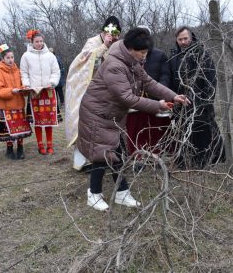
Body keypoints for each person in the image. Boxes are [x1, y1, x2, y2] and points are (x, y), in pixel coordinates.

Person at [77, 28, 189, 211]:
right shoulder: (115, 65)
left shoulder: (132, 62)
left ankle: (121, 193)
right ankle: (94, 194)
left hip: (111, 114)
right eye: (142, 52)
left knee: (118, 153)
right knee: (101, 155)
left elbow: (149, 83)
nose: (144, 56)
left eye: (146, 52)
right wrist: (158, 105)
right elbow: (126, 97)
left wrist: (173, 96)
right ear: (130, 48)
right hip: (97, 114)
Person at [65, 15, 121, 170]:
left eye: (116, 34)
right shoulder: (92, 42)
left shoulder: (117, 45)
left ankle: (103, 158)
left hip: (106, 92)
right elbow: (86, 63)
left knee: (101, 127)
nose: (112, 37)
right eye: (109, 33)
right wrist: (104, 46)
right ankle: (81, 162)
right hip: (87, 91)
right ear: (103, 31)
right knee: (84, 126)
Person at [169, 26, 226, 169]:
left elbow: (211, 81)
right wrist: (173, 98)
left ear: (191, 38)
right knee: (183, 132)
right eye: (180, 39)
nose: (183, 42)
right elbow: (171, 80)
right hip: (181, 102)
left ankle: (210, 160)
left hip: (201, 102)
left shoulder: (202, 55)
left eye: (185, 38)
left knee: (204, 130)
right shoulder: (174, 57)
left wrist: (205, 102)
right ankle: (185, 161)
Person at [126, 26, 172, 161]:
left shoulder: (159, 55)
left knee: (156, 130)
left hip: (155, 100)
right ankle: (138, 155)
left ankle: (157, 154)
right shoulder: (131, 55)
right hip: (136, 102)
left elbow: (165, 75)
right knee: (136, 131)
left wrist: (161, 91)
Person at [20, 29, 60, 155]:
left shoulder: (50, 56)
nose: (39, 43)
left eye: (41, 41)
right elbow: (24, 72)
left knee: (49, 120)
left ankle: (50, 145)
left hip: (48, 90)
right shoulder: (26, 56)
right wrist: (26, 84)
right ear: (31, 42)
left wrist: (52, 82)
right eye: (37, 41)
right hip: (35, 91)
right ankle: (40, 145)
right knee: (38, 120)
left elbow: (56, 71)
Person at [0, 44, 32, 159]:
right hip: (7, 107)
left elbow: (23, 86)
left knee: (20, 128)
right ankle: (9, 149)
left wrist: (25, 90)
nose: (10, 60)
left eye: (12, 57)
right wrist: (11, 91)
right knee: (9, 129)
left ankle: (20, 148)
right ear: (2, 59)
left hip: (19, 105)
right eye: (8, 58)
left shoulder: (18, 71)